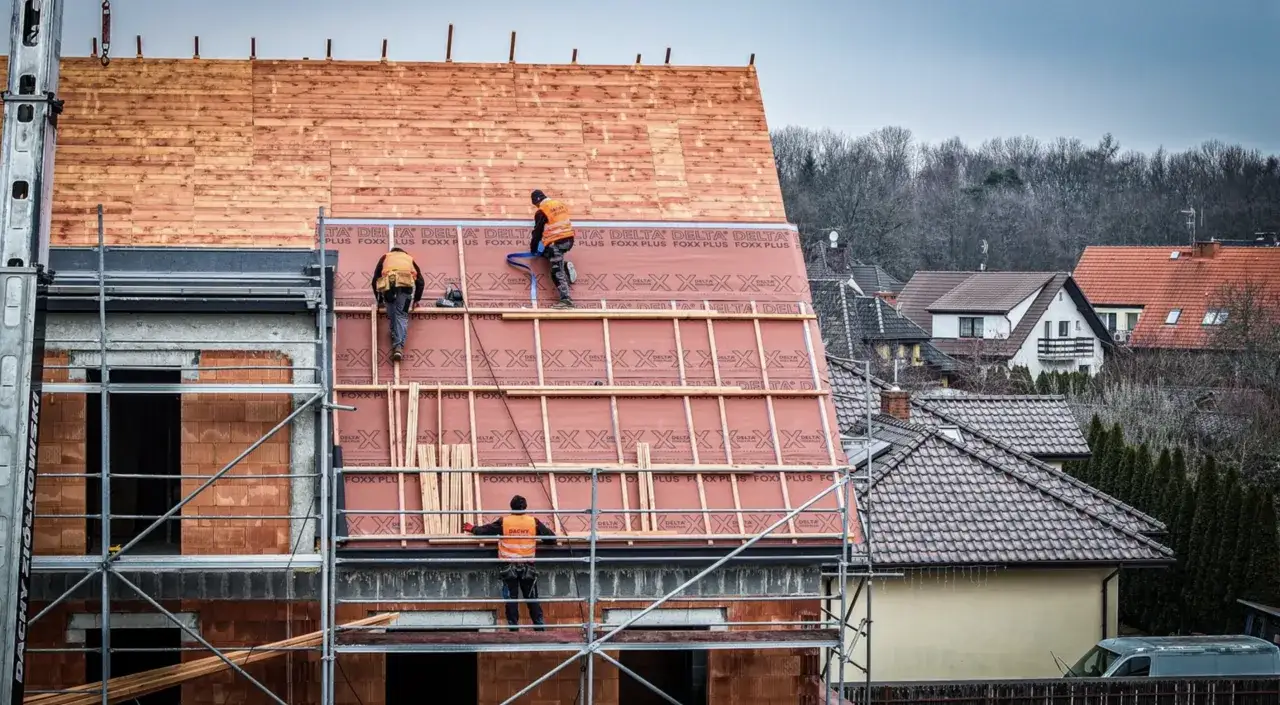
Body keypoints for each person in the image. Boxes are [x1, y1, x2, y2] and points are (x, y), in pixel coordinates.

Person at [463, 495, 557, 630]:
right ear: (525, 507)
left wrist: (472, 528)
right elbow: (551, 539)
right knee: (532, 598)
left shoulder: (504, 522)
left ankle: (513, 629)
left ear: (511, 507)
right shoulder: (533, 522)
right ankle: (539, 628)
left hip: (509, 568)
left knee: (511, 600)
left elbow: (485, 531)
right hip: (528, 568)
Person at [370, 247, 424, 362]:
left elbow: (375, 280)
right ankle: (398, 347)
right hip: (405, 290)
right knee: (401, 316)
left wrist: (379, 300)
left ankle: (396, 342)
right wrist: (416, 300)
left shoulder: (386, 257)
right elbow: (420, 281)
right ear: (403, 252)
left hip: (389, 288)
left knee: (392, 315)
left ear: (392, 252)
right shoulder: (409, 258)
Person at [529, 189, 576, 309]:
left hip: (556, 242)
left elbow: (537, 232)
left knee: (556, 272)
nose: (537, 206)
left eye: (536, 204)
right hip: (568, 239)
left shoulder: (542, 211)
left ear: (537, 201)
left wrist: (533, 248)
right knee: (547, 254)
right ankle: (564, 266)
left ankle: (566, 300)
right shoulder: (558, 204)